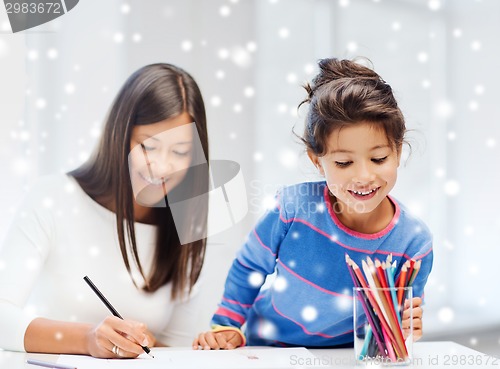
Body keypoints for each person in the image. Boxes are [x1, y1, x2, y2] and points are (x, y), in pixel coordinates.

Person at [193, 58, 433, 350]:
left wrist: (405, 329)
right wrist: (226, 325)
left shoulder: (414, 242)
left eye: (379, 158)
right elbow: (249, 266)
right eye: (344, 163)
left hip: (347, 357)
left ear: (398, 151)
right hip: (268, 347)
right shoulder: (292, 208)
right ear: (316, 161)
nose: (363, 176)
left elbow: (395, 330)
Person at [0, 63, 210, 358]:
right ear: (120, 135)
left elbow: (177, 353)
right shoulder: (53, 198)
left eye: (179, 152)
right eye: (148, 147)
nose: (161, 167)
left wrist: (144, 343)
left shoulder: (185, 229)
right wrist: (87, 339)